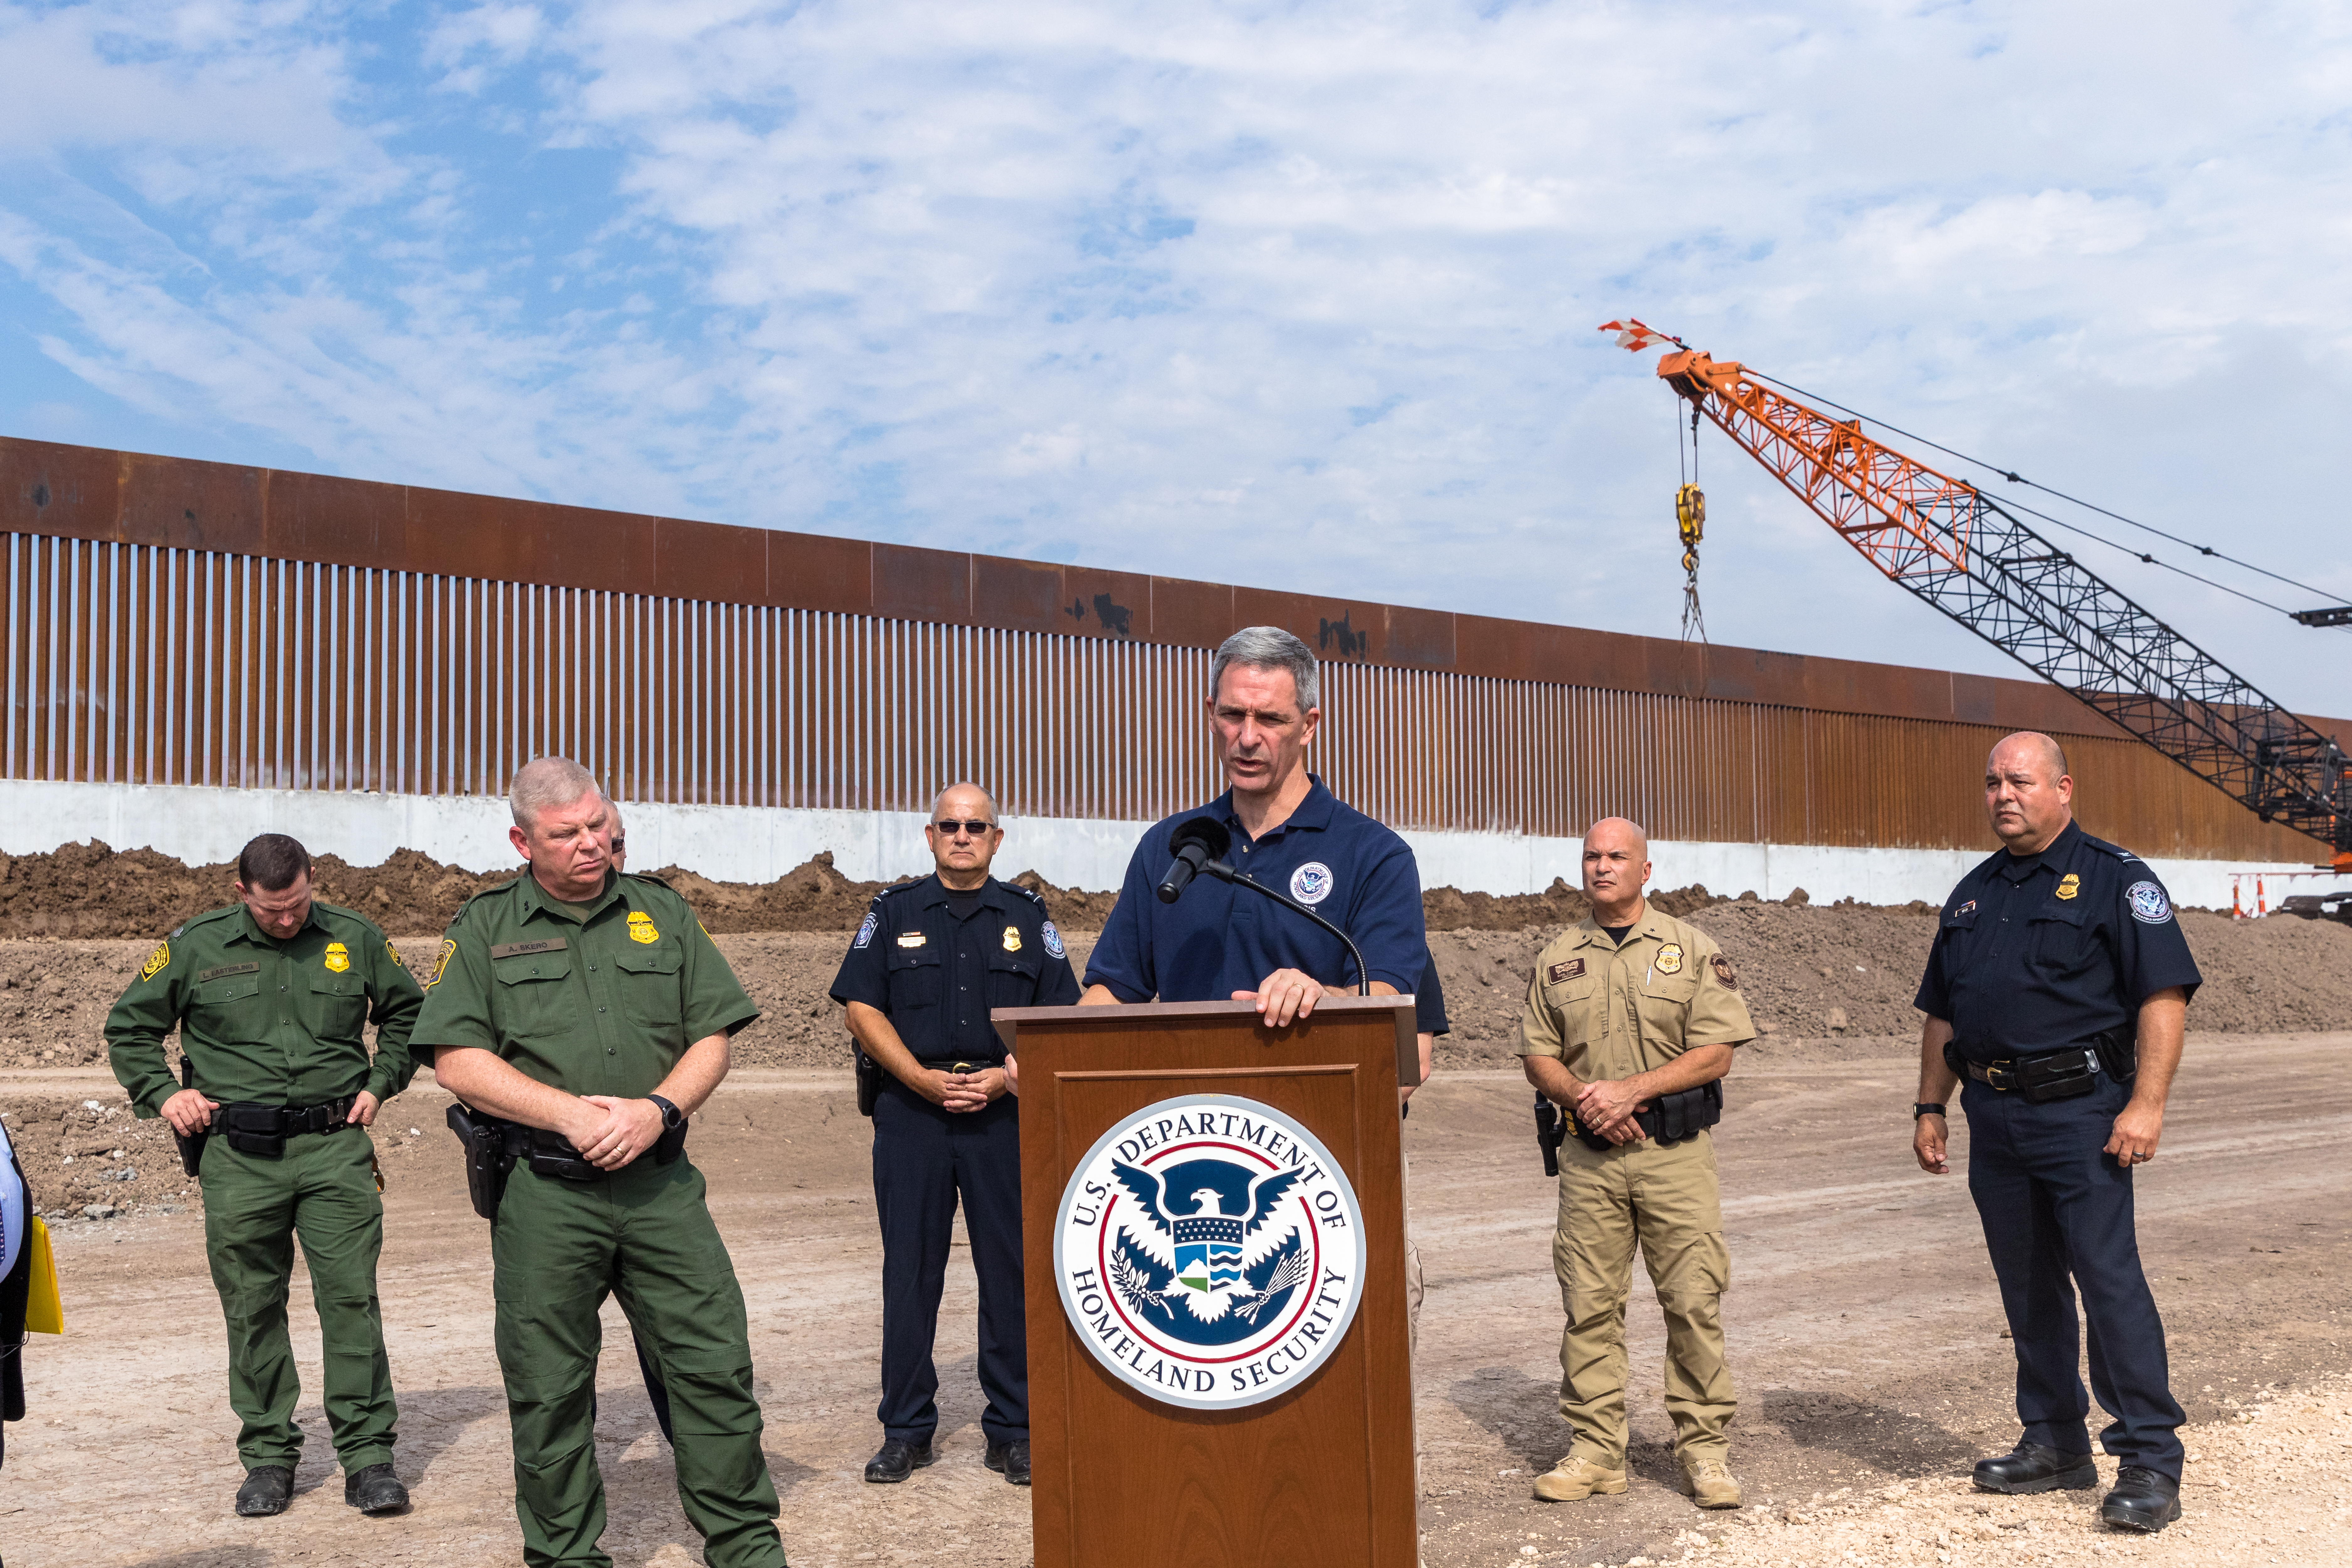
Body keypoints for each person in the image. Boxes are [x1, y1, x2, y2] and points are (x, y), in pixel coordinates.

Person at [412, 758, 789, 1568]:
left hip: (660, 1188)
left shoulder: (663, 911)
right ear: (522, 840)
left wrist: (658, 1110)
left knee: (712, 1368)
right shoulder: (483, 927)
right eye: (567, 834)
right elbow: (456, 1061)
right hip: (547, 1195)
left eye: (599, 825)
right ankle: (566, 1556)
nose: (593, 844)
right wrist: (569, 1114)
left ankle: (746, 1548)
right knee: (548, 1390)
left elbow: (711, 1037)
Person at [1911, 731, 2200, 1534]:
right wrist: (1929, 1106)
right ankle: (2054, 1439)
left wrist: (2146, 1104)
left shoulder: (2116, 879)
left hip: (2082, 1112)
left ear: (2062, 789)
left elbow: (2163, 995)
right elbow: (1944, 1010)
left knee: (2108, 1281)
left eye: (2021, 781)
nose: (2003, 794)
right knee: (2028, 1284)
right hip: (1994, 1116)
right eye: (1992, 782)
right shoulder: (1972, 893)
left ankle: (2147, 1456)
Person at [101, 833, 423, 1518]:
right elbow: (129, 1027)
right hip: (239, 1156)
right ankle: (269, 1457)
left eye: (300, 904)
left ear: (313, 880)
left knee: (350, 1301)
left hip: (336, 1144)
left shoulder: (356, 937)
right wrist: (165, 1094)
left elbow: (409, 1014)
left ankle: (367, 1457)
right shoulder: (195, 945)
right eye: (274, 910)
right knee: (251, 1307)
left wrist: (382, 1082)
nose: (289, 920)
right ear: (241, 892)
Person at [829, 783, 1079, 1487]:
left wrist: (1004, 1079)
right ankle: (906, 1430)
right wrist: (917, 1078)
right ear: (930, 834)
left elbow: (1060, 1018)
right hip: (914, 1112)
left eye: (977, 826)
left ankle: (1015, 1429)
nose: (962, 835)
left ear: (998, 839)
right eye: (950, 825)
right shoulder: (893, 910)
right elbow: (861, 1009)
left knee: (1012, 1271)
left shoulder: (1028, 917)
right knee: (910, 1273)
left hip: (1003, 1111)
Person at [1518, 818, 1752, 1511]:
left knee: (1692, 1301)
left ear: (1646, 870)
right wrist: (1586, 1102)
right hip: (1590, 1159)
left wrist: (1632, 1091)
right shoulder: (1557, 957)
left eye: (1617, 856)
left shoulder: (1691, 948)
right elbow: (1539, 1055)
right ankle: (1595, 1453)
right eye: (1592, 855)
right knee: (1588, 1306)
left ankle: (1705, 1453)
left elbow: (1719, 1051)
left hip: (1672, 1155)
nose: (1602, 866)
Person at [1074, 625, 1426, 1017]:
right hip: (1189, 1080)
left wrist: (1323, 998)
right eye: (1233, 714)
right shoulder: (1167, 846)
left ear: (1308, 725)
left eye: (1271, 719)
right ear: (1211, 715)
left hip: (1309, 1079)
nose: (1247, 737)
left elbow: (1385, 996)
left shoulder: (1376, 855)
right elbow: (1116, 990)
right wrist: (1050, 1052)